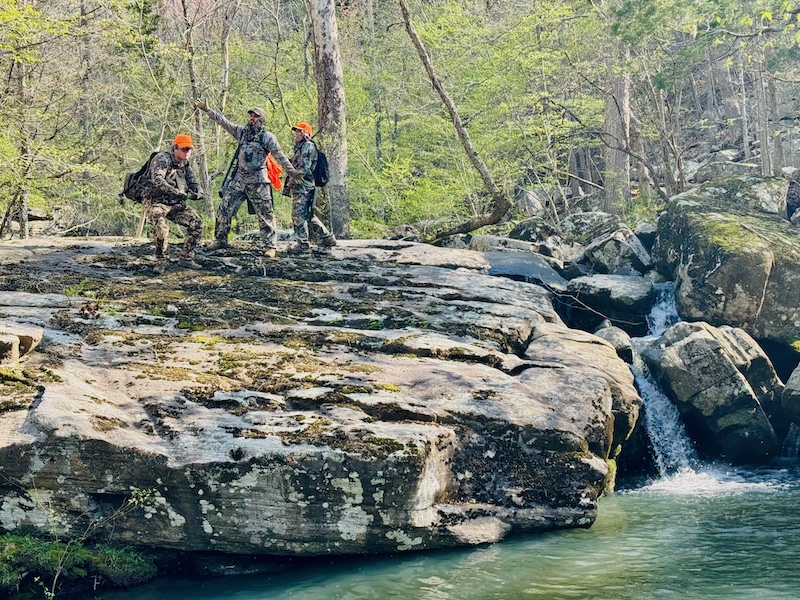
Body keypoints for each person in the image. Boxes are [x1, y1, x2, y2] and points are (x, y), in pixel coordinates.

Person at [193, 99, 300, 258]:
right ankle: (220, 239)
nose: (251, 119)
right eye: (250, 116)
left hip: (258, 181)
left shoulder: (267, 137)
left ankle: (270, 246)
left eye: (255, 116)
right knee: (224, 208)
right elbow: (224, 122)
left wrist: (292, 172)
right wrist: (208, 110)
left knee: (265, 213)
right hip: (239, 180)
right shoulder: (242, 132)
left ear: (261, 120)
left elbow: (280, 156)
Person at [141, 134, 203, 275]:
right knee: (161, 228)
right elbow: (157, 180)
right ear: (175, 148)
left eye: (189, 150)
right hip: (155, 201)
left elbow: (193, 182)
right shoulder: (163, 159)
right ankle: (161, 260)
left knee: (196, 223)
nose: (187, 152)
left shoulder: (185, 164)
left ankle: (186, 258)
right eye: (184, 149)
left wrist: (198, 192)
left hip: (174, 203)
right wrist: (176, 192)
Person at [286, 122, 336, 254]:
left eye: (300, 131)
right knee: (308, 215)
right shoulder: (300, 147)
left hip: (303, 184)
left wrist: (292, 181)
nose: (297, 134)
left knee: (297, 215)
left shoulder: (307, 146)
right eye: (296, 131)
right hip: (303, 184)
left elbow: (304, 167)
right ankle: (328, 238)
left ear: (307, 134)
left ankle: (302, 244)